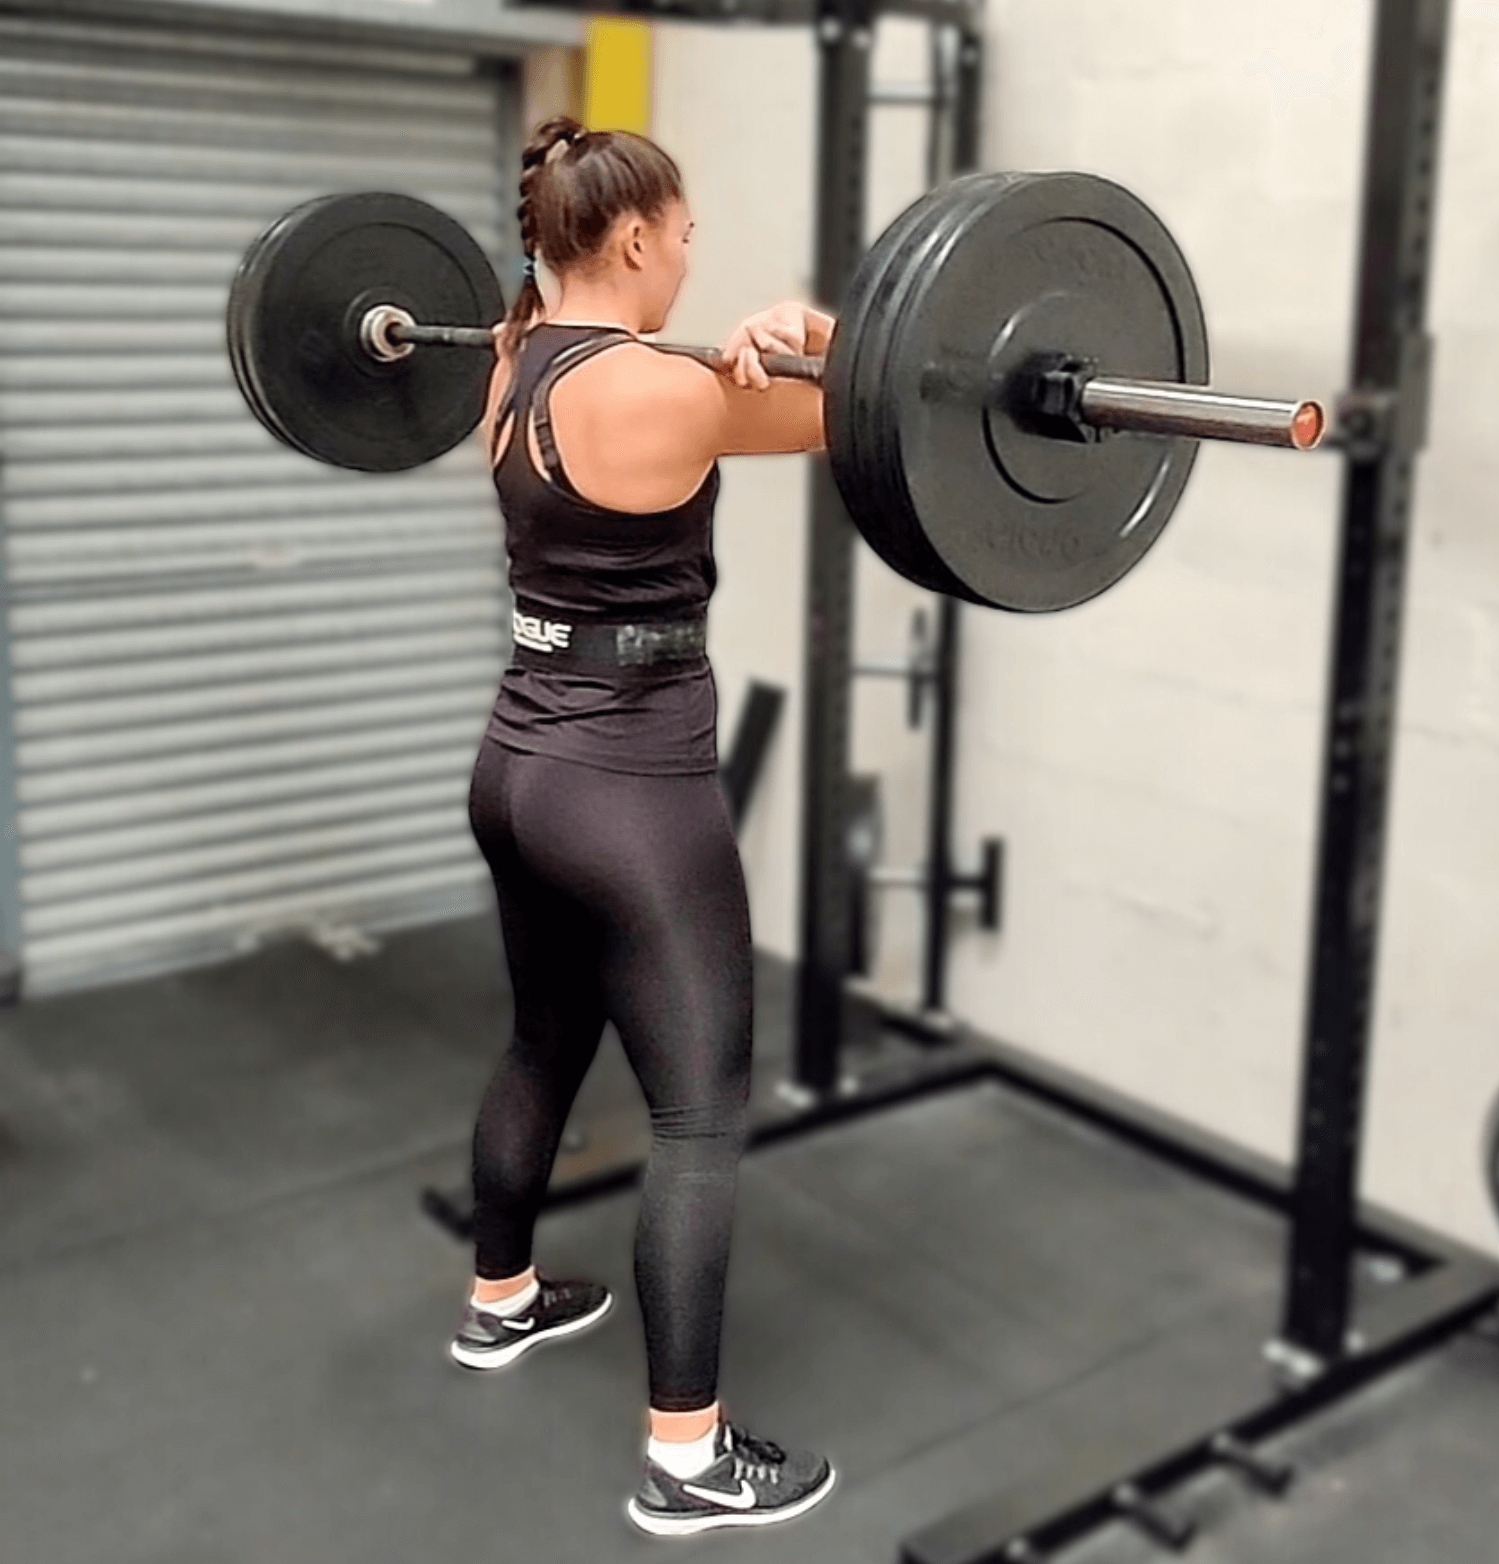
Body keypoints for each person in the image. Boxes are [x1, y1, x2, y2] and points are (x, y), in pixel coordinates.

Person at [447, 113, 838, 1539]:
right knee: (698, 1117)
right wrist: (817, 330)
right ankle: (688, 1458)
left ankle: (500, 1301)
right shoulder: (659, 392)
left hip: (517, 767)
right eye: (683, 235)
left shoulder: (505, 362)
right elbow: (880, 408)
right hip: (633, 793)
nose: (690, 258)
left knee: (545, 1036)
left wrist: (752, 344)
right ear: (627, 238)